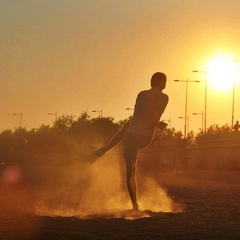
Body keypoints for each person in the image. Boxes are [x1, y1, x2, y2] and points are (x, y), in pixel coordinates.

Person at [94, 72, 169, 211]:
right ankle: (101, 151)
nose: (166, 84)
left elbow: (139, 115)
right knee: (128, 126)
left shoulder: (141, 94)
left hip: (131, 136)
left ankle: (135, 204)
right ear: (162, 83)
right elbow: (154, 116)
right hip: (144, 138)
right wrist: (158, 124)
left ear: (151, 82)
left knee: (130, 173)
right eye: (165, 82)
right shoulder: (164, 97)